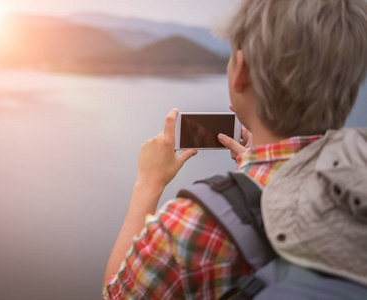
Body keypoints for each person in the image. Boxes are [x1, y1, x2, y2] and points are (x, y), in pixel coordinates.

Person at [102, 0, 367, 298]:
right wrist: (259, 171)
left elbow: (114, 293)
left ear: (242, 72)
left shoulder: (191, 226)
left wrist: (148, 183)